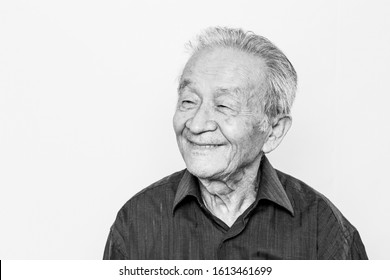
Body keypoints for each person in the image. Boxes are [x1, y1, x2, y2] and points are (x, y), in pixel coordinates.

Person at [103, 27, 368, 260]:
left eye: (224, 105)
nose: (196, 125)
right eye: (188, 101)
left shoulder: (326, 232)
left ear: (273, 130)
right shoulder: (137, 220)